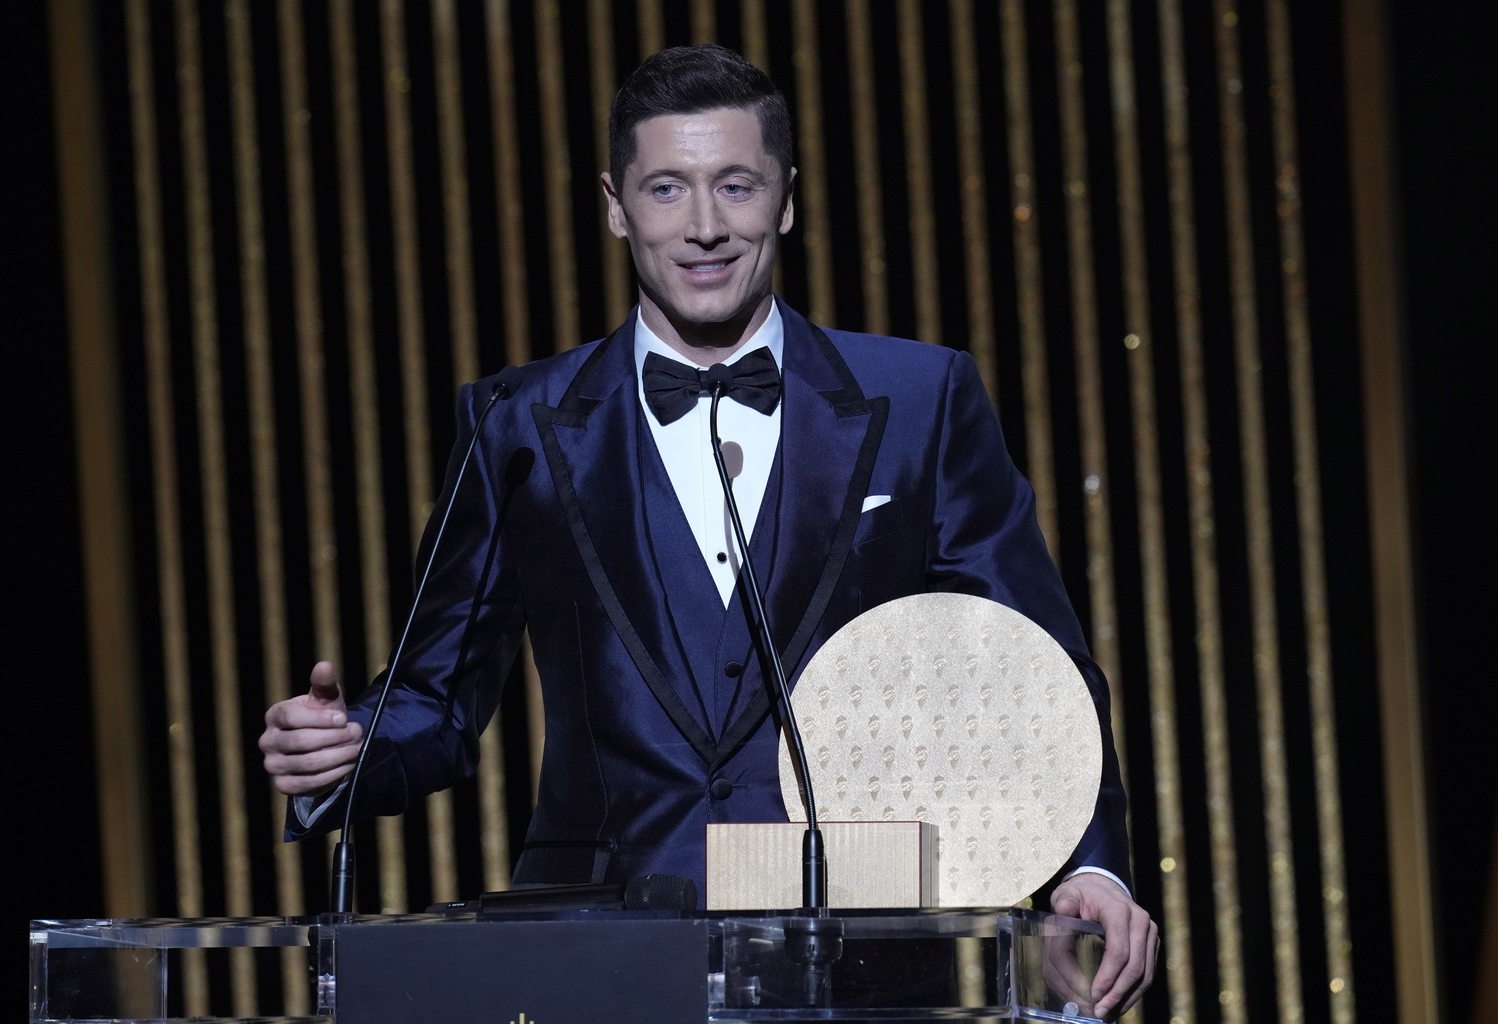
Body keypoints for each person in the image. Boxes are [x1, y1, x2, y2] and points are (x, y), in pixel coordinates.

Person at [259, 42, 1157, 1018]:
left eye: (735, 186)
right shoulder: (517, 419)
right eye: (666, 189)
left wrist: (1091, 865)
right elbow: (437, 693)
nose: (703, 226)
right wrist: (348, 747)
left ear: (786, 199)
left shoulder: (921, 397)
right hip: (598, 959)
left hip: (859, 958)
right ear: (615, 205)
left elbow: (1038, 669)